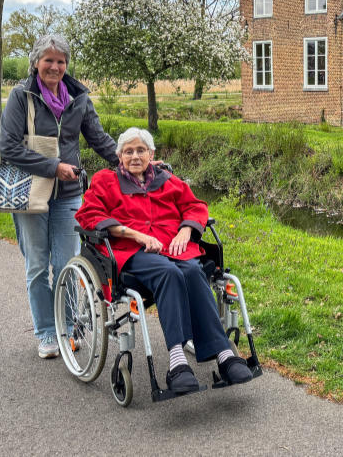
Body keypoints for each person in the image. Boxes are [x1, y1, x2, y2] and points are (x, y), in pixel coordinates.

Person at [75, 127, 254, 392]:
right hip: (132, 250)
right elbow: (89, 214)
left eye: (141, 150)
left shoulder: (167, 180)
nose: (135, 156)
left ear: (151, 154)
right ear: (119, 156)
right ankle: (177, 362)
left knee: (193, 272)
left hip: (174, 244)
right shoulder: (105, 181)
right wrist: (135, 235)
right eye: (128, 151)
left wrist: (186, 229)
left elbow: (196, 206)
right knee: (168, 273)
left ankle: (225, 355)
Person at [0, 34, 119, 359]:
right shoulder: (21, 96)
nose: (54, 66)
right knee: (38, 266)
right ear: (36, 62)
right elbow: (8, 147)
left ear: (67, 65)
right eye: (48, 60)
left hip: (68, 194)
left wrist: (130, 161)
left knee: (67, 264)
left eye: (60, 61)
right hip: (29, 194)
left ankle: (67, 326)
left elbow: (98, 138)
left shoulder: (78, 97)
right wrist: (53, 167)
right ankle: (47, 333)